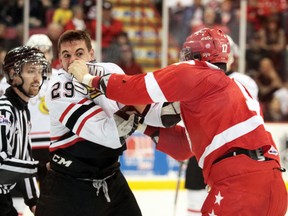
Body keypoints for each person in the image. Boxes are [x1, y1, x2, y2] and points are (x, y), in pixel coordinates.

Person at [70, 28, 288, 215]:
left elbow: (135, 88)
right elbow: (185, 147)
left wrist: (88, 78)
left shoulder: (197, 73)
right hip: (274, 185)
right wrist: (142, 124)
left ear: (196, 56)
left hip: (238, 185)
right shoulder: (230, 89)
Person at [35, 29, 187, 216]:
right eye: (67, 55)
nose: (73, 60)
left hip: (110, 177)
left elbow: (157, 114)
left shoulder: (110, 70)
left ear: (92, 54)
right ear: (59, 59)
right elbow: (111, 136)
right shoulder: (59, 88)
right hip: (68, 187)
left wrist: (181, 102)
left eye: (79, 53)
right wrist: (144, 121)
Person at [184, 34, 260, 216]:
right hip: (201, 152)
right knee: (195, 204)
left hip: (231, 155)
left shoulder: (244, 81)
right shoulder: (193, 78)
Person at [0, 46, 50, 216]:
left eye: (40, 71)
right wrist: (39, 168)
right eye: (31, 71)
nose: (38, 78)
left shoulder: (23, 111)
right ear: (13, 74)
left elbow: (23, 161)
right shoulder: (4, 110)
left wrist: (34, 202)